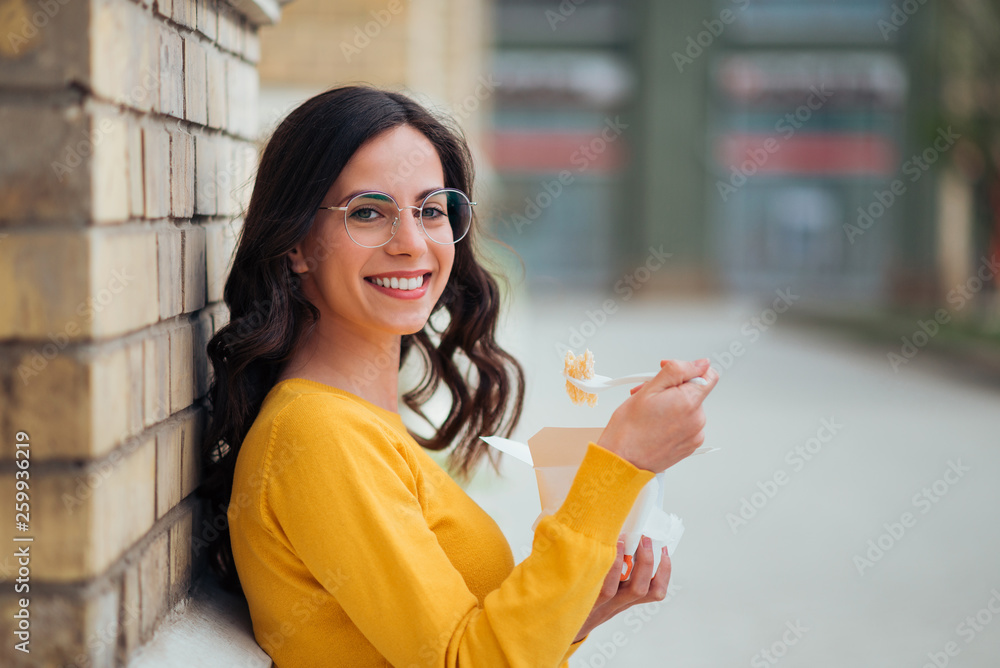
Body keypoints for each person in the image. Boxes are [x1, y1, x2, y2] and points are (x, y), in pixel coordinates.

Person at [198, 85, 718, 667]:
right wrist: (620, 463)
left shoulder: (366, 423)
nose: (412, 243)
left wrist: (575, 613)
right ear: (296, 244)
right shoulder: (317, 434)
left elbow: (468, 643)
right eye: (368, 212)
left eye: (431, 210)